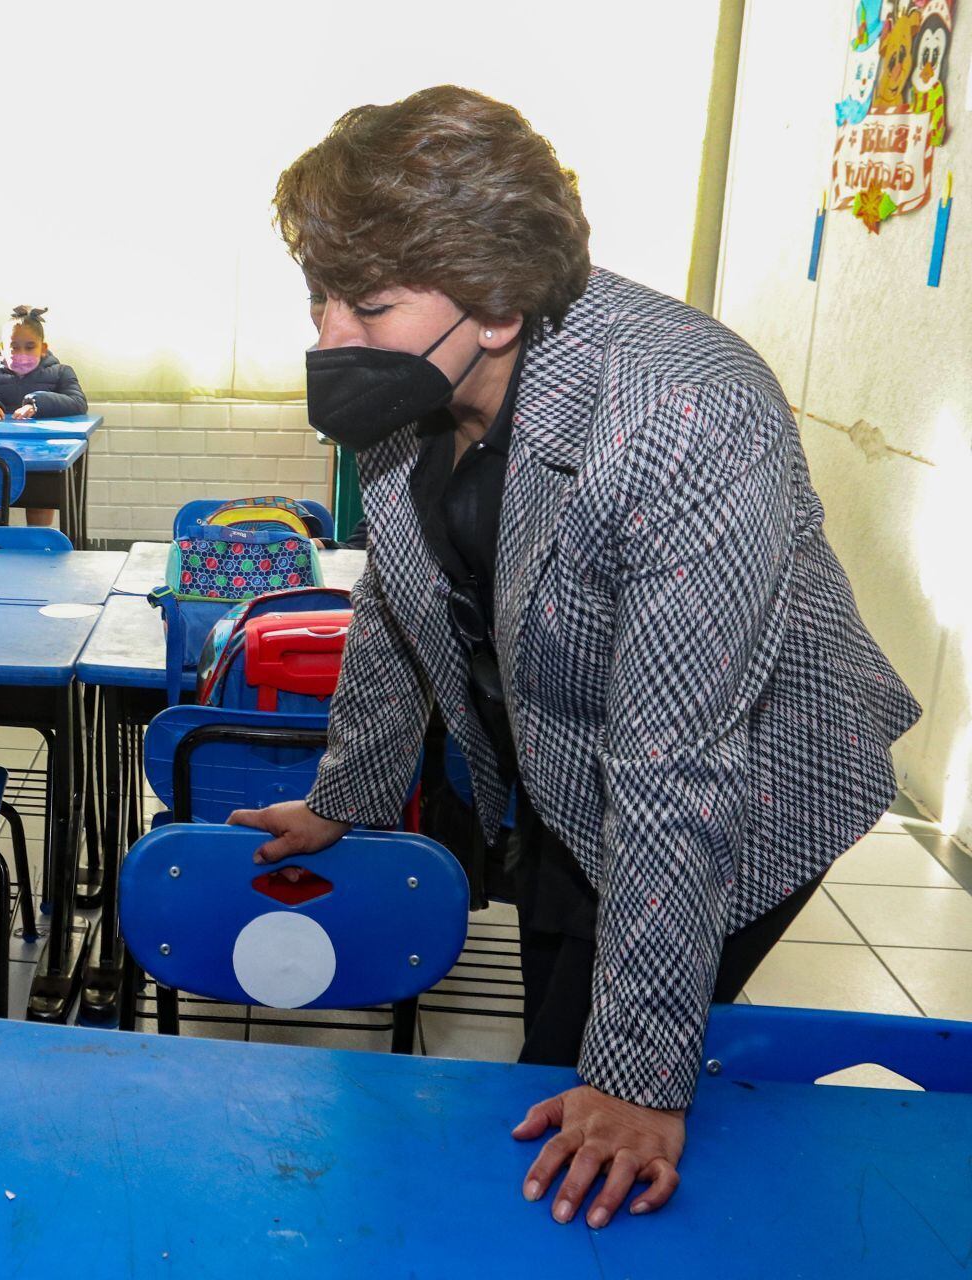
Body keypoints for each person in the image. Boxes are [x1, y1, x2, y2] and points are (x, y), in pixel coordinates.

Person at [231, 86, 918, 1228]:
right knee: (545, 1053)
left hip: (746, 785)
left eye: (367, 304)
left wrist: (640, 1078)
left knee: (584, 1096)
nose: (327, 337)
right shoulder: (420, 383)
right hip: (563, 758)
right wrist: (342, 798)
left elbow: (678, 766)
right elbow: (408, 606)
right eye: (318, 297)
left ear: (496, 309)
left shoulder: (684, 415)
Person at [0, 305, 86, 528]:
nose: (21, 354)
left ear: (43, 348)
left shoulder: (61, 372)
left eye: (29, 347)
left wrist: (37, 402)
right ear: (2, 348)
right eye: (14, 347)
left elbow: (78, 402)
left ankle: (37, 543)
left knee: (40, 502)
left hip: (42, 456)